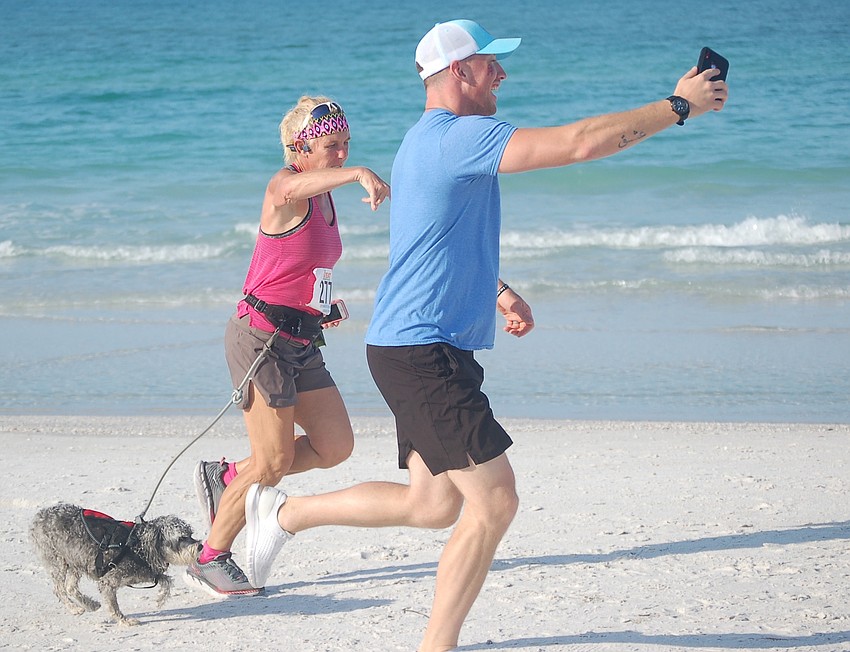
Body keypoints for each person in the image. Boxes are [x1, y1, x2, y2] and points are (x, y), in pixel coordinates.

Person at [240, 19, 729, 650]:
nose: (502, 73)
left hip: (415, 345)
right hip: (421, 351)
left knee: (434, 505)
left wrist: (495, 288)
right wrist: (678, 105)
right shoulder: (457, 137)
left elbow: (433, 241)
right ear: (457, 72)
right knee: (494, 502)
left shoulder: (426, 142)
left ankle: (284, 514)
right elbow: (579, 144)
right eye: (489, 63)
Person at [183, 95, 390, 597]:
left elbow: (302, 270)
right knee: (272, 463)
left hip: (300, 337)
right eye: (330, 146)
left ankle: (229, 475)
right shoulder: (285, 186)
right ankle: (210, 556)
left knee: (335, 445)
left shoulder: (325, 199)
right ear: (299, 150)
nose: (340, 154)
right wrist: (358, 171)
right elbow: (294, 184)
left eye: (346, 145)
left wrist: (321, 306)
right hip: (259, 340)